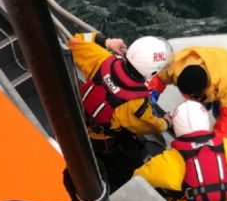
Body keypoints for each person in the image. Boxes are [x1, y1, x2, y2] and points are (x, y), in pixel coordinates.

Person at [68, 32, 174, 192]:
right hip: (102, 140)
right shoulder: (136, 102)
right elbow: (148, 126)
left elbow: (75, 40)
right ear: (152, 72)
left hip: (75, 118)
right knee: (126, 165)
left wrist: (106, 41)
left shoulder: (103, 59)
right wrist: (165, 122)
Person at [148, 46, 227, 139]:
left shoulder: (226, 84)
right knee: (200, 105)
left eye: (193, 97)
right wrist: (151, 97)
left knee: (220, 111)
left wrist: (217, 139)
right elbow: (159, 79)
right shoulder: (174, 66)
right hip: (209, 62)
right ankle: (202, 109)